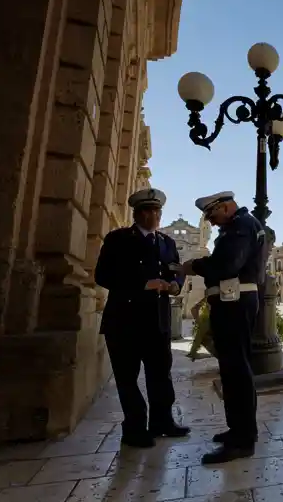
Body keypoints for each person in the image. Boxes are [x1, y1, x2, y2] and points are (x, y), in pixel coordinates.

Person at [95, 188, 189, 448]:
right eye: (148, 211)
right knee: (127, 377)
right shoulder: (118, 239)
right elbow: (102, 276)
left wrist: (176, 285)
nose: (154, 216)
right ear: (137, 214)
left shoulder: (167, 243)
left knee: (161, 375)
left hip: (157, 321)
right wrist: (143, 283)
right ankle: (135, 429)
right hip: (124, 320)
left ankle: (162, 422)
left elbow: (175, 271)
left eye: (157, 211)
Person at [180, 191, 265, 465]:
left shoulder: (241, 225)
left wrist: (194, 266)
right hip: (230, 302)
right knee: (231, 368)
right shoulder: (236, 226)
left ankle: (243, 439)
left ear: (226, 207)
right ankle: (238, 430)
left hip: (235, 302)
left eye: (213, 215)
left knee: (236, 369)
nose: (212, 223)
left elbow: (228, 264)